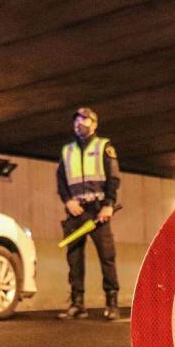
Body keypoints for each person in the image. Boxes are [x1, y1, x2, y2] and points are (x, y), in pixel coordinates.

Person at [56, 107, 120, 320]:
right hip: (76, 212)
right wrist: (68, 201)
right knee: (74, 258)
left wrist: (109, 204)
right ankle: (77, 303)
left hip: (98, 210)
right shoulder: (67, 151)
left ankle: (112, 303)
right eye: (76, 120)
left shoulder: (104, 147)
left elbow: (112, 177)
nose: (79, 123)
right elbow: (61, 181)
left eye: (84, 119)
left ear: (94, 124)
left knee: (107, 257)